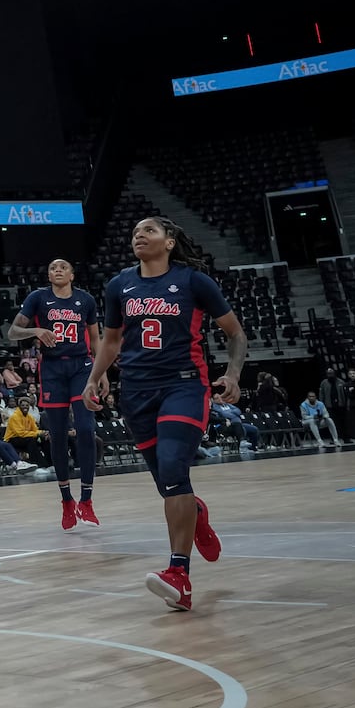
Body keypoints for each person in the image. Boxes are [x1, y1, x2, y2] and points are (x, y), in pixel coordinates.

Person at [83, 217, 247, 613]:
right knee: (169, 485)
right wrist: (94, 379)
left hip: (184, 386)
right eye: (135, 232)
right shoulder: (119, 284)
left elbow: (235, 334)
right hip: (136, 392)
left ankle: (180, 575)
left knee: (174, 471)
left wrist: (233, 374)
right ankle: (197, 513)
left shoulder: (193, 282)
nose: (139, 235)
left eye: (149, 231)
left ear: (169, 242)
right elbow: (112, 340)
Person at [8, 258, 102, 532]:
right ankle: (66, 500)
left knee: (86, 429)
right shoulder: (38, 298)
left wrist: (102, 373)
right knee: (58, 435)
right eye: (52, 268)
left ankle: (86, 499)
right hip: (52, 369)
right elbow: (13, 331)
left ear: (72, 274)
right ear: (48, 275)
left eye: (62, 267)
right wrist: (36, 330)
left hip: (82, 367)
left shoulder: (85, 300)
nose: (57, 270)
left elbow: (96, 339)